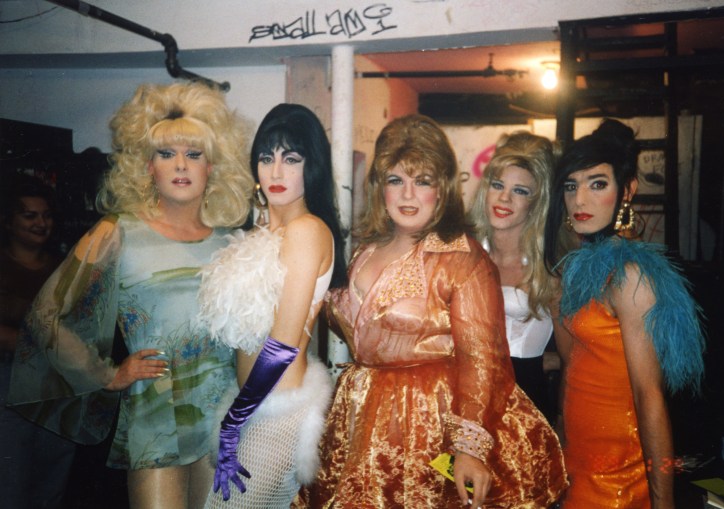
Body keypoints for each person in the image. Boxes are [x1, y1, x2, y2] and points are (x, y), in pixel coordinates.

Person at [296, 114, 568, 508]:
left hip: (428, 422)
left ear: (441, 190)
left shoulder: (460, 256)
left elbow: (482, 358)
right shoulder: (361, 252)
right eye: (395, 180)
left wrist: (470, 448)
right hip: (358, 421)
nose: (408, 195)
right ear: (379, 187)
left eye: (422, 181)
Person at [7, 81, 254, 509]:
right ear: (146, 166)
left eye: (193, 155)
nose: (181, 165)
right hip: (156, 410)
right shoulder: (118, 231)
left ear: (211, 167)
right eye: (166, 154)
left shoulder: (232, 240)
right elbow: (47, 317)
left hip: (222, 414)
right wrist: (107, 374)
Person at [543, 119, 705, 509]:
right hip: (577, 460)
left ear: (627, 190)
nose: (580, 199)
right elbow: (572, 366)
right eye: (572, 185)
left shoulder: (632, 275)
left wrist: (662, 504)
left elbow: (650, 398)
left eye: (597, 183)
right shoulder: (571, 269)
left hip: (620, 474)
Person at [197, 103, 347, 508]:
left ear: (311, 166)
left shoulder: (307, 231)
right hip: (250, 405)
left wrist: (231, 424)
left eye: (291, 158)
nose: (276, 171)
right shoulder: (261, 233)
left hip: (275, 411)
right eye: (267, 157)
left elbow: (282, 344)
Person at [469, 132, 560, 418]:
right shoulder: (464, 254)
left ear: (537, 201)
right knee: (442, 465)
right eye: (498, 185)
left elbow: (577, 358)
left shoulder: (549, 268)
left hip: (524, 404)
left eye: (520, 191)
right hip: (465, 397)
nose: (504, 198)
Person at [0, 174, 75, 509]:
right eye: (29, 215)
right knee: (11, 482)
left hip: (55, 384)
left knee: (51, 480)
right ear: (8, 221)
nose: (40, 222)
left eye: (45, 215)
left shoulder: (63, 267)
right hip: (7, 380)